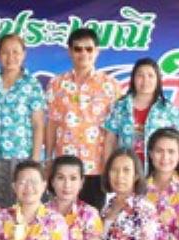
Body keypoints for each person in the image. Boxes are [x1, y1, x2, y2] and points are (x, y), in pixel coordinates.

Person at [45, 27, 123, 206]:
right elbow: (52, 124)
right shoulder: (57, 84)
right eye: (78, 49)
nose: (83, 54)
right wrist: (48, 159)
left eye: (89, 49)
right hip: (64, 166)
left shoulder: (111, 86)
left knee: (93, 217)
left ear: (97, 51)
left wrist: (109, 164)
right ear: (70, 51)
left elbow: (114, 130)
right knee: (61, 216)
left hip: (96, 167)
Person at [0, 33, 46, 206]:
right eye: (5, 52)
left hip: (22, 157)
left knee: (20, 207)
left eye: (16, 52)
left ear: (24, 54)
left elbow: (38, 124)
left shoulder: (31, 84)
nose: (10, 57)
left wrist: (35, 160)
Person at [103, 57, 179, 172]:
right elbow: (110, 141)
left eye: (150, 76)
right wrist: (108, 169)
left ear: (158, 80)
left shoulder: (168, 109)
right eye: (140, 75)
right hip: (126, 172)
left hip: (158, 171)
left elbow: (178, 142)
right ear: (133, 79)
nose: (145, 80)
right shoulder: (120, 107)